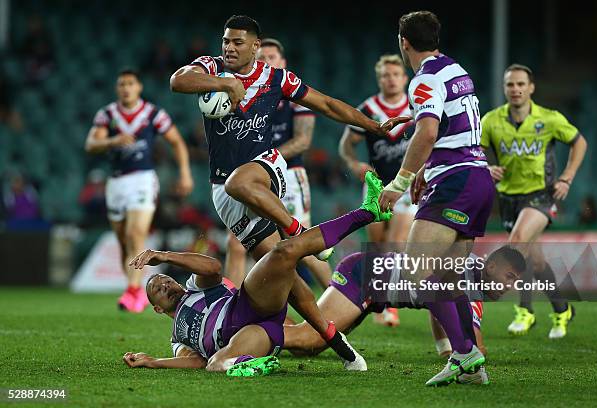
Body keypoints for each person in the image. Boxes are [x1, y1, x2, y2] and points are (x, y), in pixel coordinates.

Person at [169, 15, 404, 366]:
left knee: (242, 183)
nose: (229, 48)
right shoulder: (211, 67)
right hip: (225, 194)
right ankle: (341, 347)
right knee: (286, 272)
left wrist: (373, 125)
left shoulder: (275, 77)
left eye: (237, 42)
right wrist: (222, 85)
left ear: (255, 47)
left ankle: (298, 229)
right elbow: (177, 81)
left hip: (266, 168)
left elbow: (325, 104)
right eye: (226, 41)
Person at [122, 172, 392, 375]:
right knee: (215, 365)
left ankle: (366, 213)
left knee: (282, 252)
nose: (166, 285)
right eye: (158, 289)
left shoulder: (194, 287)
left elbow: (214, 268)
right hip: (251, 334)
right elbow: (194, 360)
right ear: (157, 308)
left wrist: (166, 256)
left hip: (249, 303)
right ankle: (252, 363)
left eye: (166, 279)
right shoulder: (177, 337)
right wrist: (153, 362)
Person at [377, 11, 494, 386]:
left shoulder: (423, 79)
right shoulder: (456, 70)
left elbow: (428, 133)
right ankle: (471, 367)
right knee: (448, 276)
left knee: (415, 270)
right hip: (477, 178)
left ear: (403, 42)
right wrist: (412, 123)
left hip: (454, 182)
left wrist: (400, 180)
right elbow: (448, 120)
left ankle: (463, 351)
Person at [283, 245, 528, 384]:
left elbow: (438, 306)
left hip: (375, 285)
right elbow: (475, 348)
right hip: (365, 277)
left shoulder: (471, 270)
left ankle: (271, 319)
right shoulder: (468, 280)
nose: (511, 286)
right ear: (492, 266)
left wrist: (445, 347)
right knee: (310, 339)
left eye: (517, 281)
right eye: (509, 277)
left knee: (305, 348)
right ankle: (252, 321)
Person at [480, 64, 587, 339]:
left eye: (520, 84)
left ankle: (524, 310)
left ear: (531, 88)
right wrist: (486, 167)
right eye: (510, 85)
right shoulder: (491, 120)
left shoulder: (549, 119)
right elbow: (475, 151)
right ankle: (562, 310)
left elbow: (579, 142)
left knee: (517, 243)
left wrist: (567, 177)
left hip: (541, 195)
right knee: (535, 262)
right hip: (508, 198)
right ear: (504, 88)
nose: (515, 89)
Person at [224, 37, 331, 288]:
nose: (265, 62)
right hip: (254, 179)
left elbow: (303, 140)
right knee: (236, 242)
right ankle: (227, 307)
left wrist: (264, 161)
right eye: (260, 58)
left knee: (302, 244)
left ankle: (341, 295)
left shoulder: (294, 96)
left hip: (288, 174)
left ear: (282, 63)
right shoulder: (245, 96)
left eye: (270, 58)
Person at [85, 68, 194, 313]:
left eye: (130, 83)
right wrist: (112, 141)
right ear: (117, 88)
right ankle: (133, 289)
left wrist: (185, 173)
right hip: (116, 182)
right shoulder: (108, 114)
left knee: (136, 233)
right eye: (122, 84)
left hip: (143, 179)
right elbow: (91, 144)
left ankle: (133, 291)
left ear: (139, 87)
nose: (126, 88)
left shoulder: (153, 113)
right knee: (124, 241)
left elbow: (176, 141)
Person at [340, 54, 416, 327]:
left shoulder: (416, 107)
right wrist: (353, 163)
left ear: (404, 78)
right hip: (377, 185)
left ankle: (389, 304)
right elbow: (346, 144)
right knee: (377, 245)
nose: (391, 79)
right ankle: (377, 298)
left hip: (407, 185)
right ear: (379, 78)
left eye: (396, 74)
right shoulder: (369, 109)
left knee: (396, 242)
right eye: (385, 75)